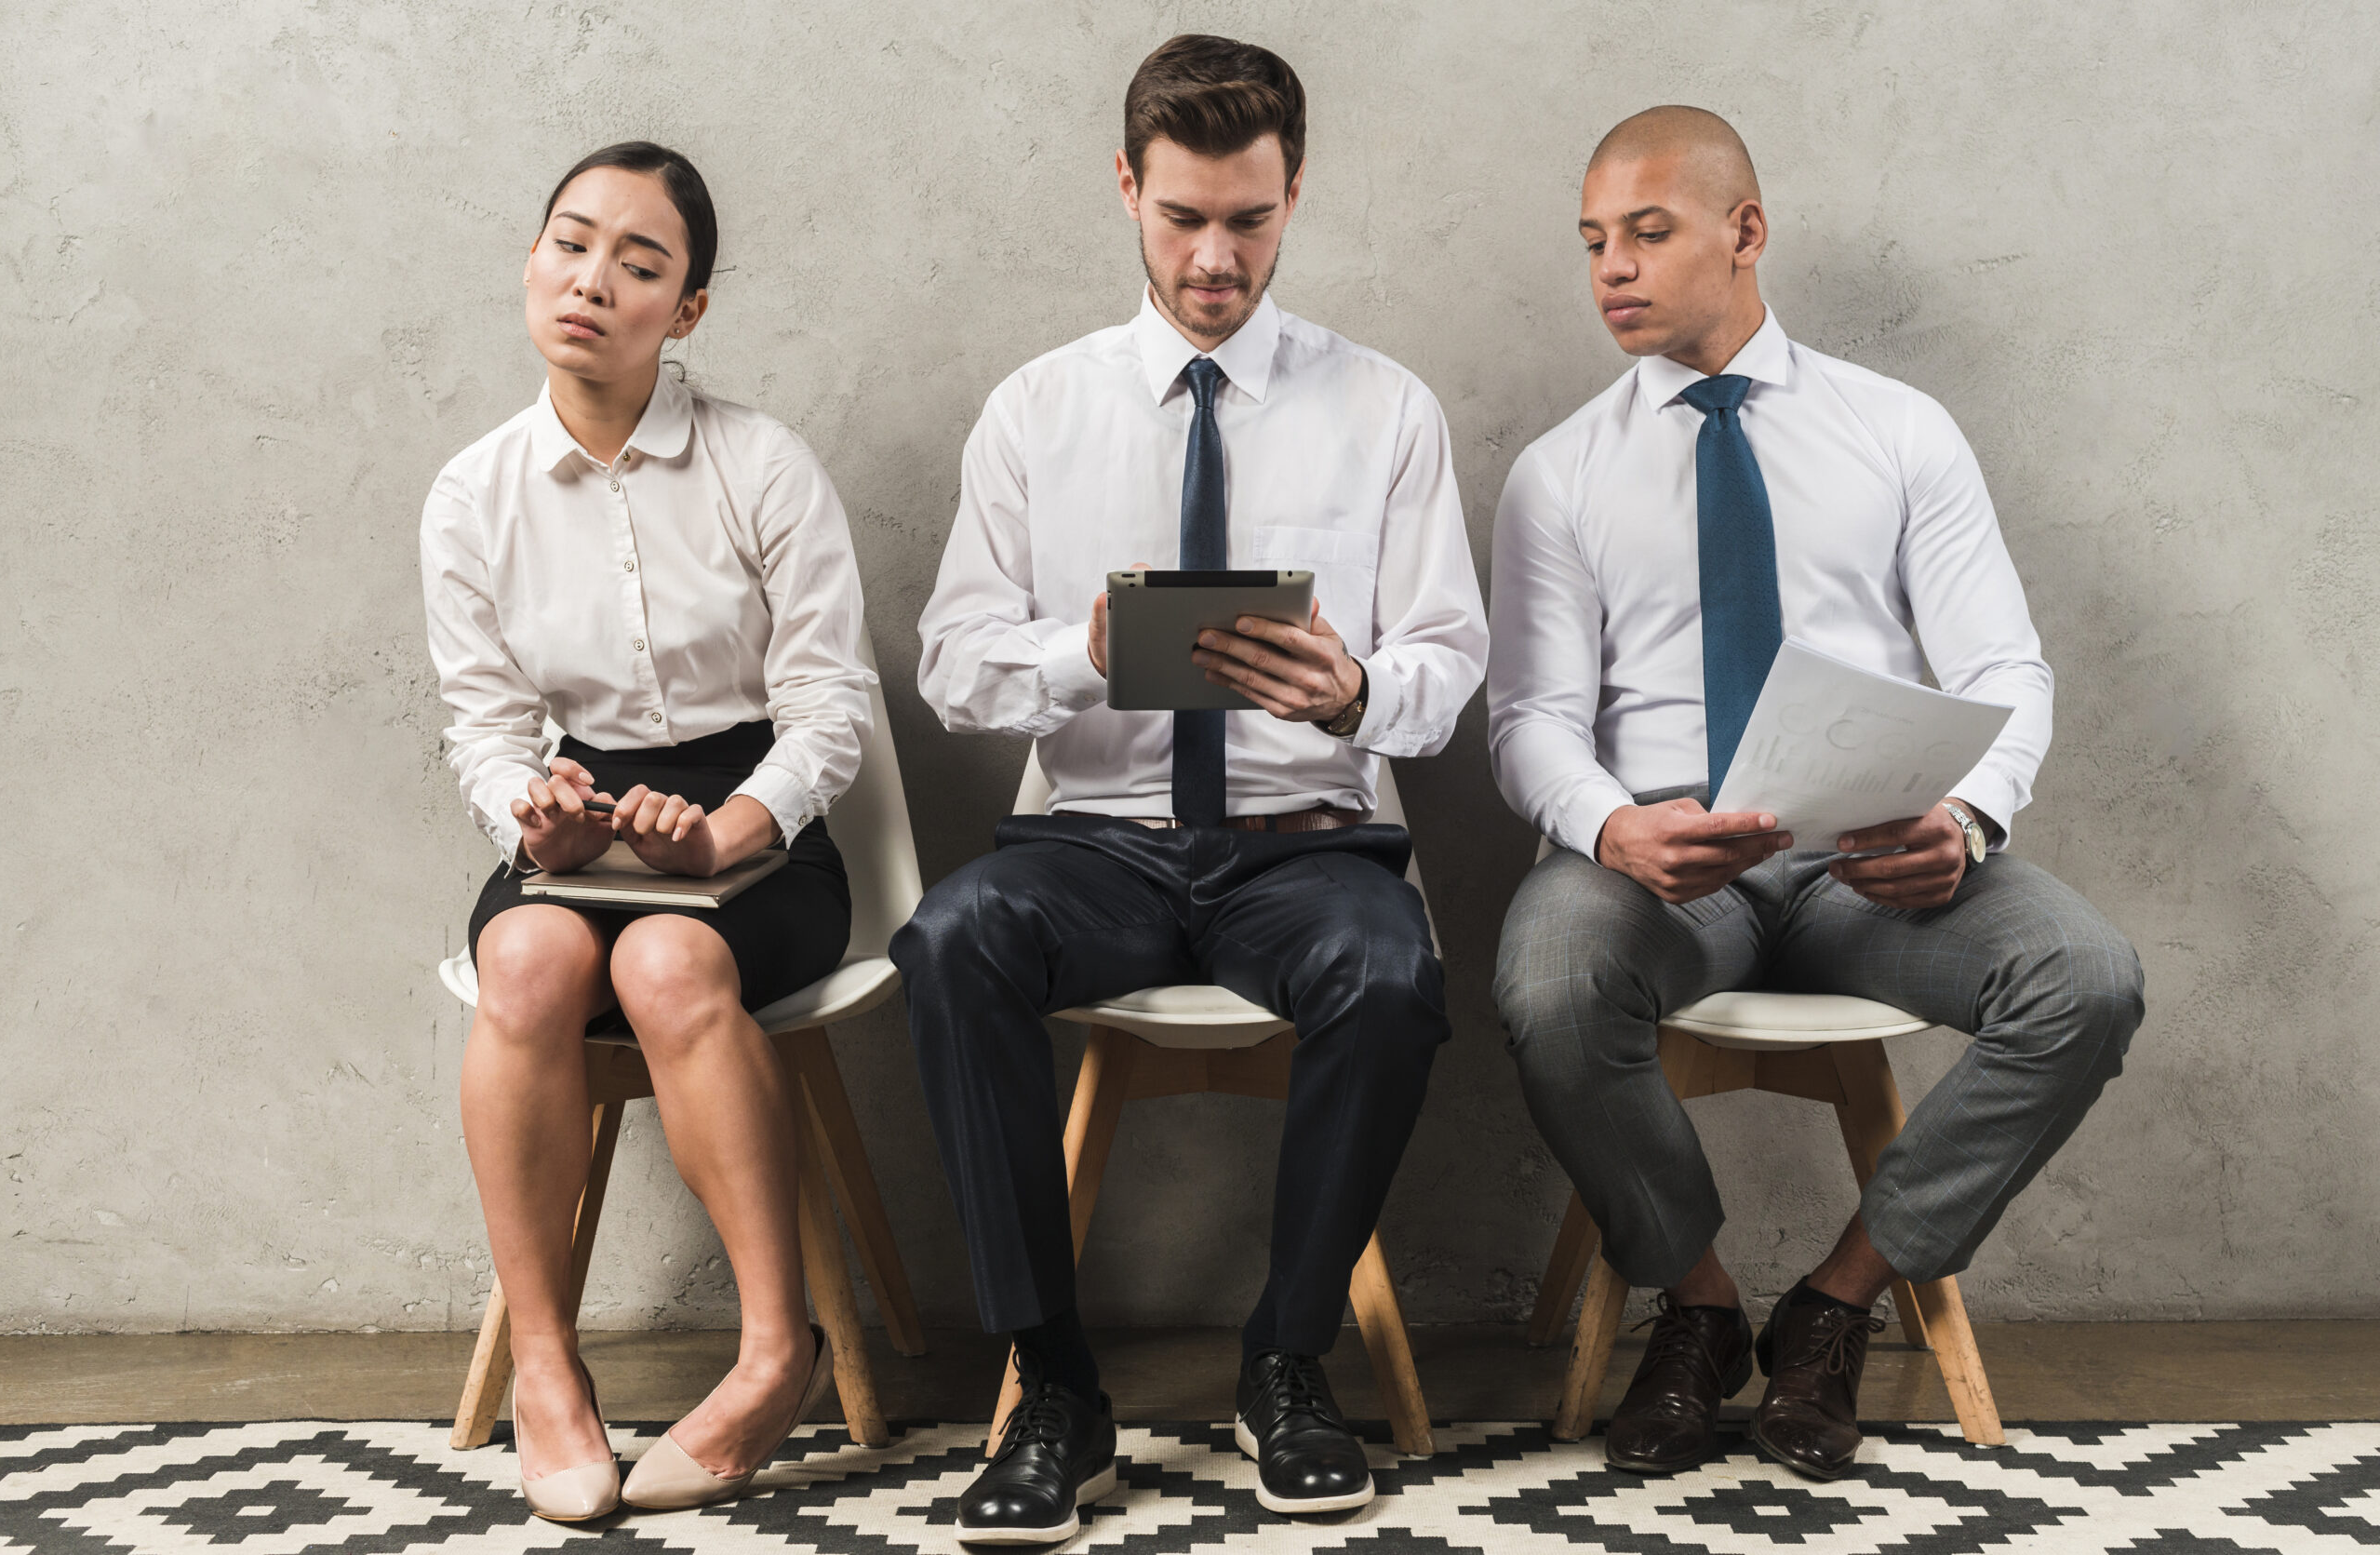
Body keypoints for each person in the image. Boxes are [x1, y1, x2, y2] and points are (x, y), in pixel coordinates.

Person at [1488, 107, 2145, 1481]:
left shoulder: (1899, 432)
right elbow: (1533, 719)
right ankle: (1701, 1303)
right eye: (1596, 241)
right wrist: (1614, 827)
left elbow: (2003, 664)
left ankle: (1837, 1301)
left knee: (2085, 978)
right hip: (1667, 864)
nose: (1613, 267)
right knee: (1549, 976)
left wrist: (1964, 822)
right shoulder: (1559, 475)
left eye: (1649, 233)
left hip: (1875, 856)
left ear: (1748, 230)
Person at [891, 34, 1487, 1544]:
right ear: (1127, 190)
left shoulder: (1386, 409)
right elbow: (955, 670)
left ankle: (1285, 1360)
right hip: (1098, 844)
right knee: (953, 939)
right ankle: (1056, 1386)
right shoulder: (1038, 410)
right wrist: (1080, 653)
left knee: (1390, 968)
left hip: (1310, 846)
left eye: (1250, 220)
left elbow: (1449, 661)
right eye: (1182, 219)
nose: (1215, 257)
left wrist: (1357, 691)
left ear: (1296, 197)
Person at [419, 141, 872, 1521]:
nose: (593, 281)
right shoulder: (473, 494)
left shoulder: (761, 464)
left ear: (688, 312)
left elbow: (832, 710)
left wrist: (729, 831)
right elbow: (487, 733)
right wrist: (533, 816)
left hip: (756, 814)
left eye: (641, 263)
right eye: (571, 242)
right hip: (583, 811)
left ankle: (770, 1352)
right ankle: (550, 1370)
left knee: (670, 966)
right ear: (531, 260)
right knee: (534, 967)